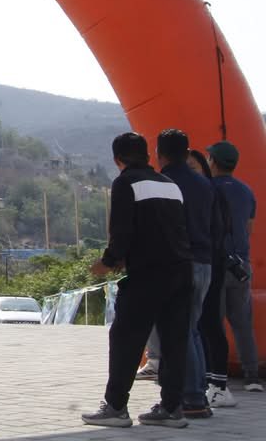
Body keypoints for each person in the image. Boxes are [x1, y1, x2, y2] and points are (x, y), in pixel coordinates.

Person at [82, 132, 192, 429]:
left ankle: (116, 407)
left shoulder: (125, 182)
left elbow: (123, 230)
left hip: (148, 273)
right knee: (173, 342)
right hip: (182, 272)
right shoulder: (171, 185)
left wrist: (108, 262)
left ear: (118, 160)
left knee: (126, 338)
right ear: (147, 155)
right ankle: (172, 408)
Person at [155, 130, 215, 418]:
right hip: (206, 261)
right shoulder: (205, 184)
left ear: (160, 154)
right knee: (193, 329)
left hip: (181, 263)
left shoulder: (166, 183)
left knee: (180, 332)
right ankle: (198, 391)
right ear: (187, 151)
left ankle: (191, 397)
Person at [206, 140, 262, 392]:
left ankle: (214, 376)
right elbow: (248, 228)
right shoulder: (246, 191)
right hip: (241, 266)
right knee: (242, 323)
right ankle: (252, 376)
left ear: (213, 162)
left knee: (212, 324)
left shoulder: (206, 188)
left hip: (215, 264)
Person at [189, 149, 237, 408]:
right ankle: (207, 381)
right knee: (199, 326)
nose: (190, 172)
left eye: (194, 167)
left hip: (211, 265)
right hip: (205, 264)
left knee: (210, 323)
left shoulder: (211, 194)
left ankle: (219, 385)